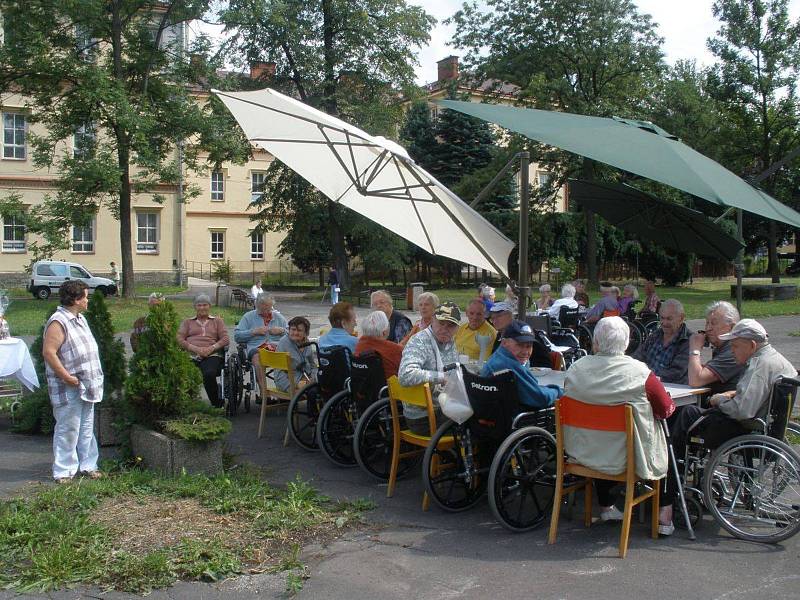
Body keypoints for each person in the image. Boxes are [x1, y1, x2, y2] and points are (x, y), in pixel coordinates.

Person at [659, 319, 797, 534]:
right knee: (688, 415)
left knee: (682, 418)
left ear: (751, 344)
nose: (732, 351)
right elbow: (753, 395)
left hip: (742, 428)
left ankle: (667, 497)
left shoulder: (759, 366)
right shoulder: (774, 359)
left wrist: (719, 400)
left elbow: (742, 410)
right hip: (761, 428)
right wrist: (732, 394)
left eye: (735, 346)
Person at [563, 316, 674, 525]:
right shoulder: (640, 373)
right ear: (626, 342)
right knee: (664, 437)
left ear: (595, 342)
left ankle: (606, 506)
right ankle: (664, 513)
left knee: (601, 434)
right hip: (625, 458)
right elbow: (665, 409)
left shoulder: (575, 369)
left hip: (582, 452)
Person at [42, 280, 105, 483]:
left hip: (86, 384)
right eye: (85, 297)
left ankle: (88, 465)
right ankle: (63, 470)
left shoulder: (79, 318)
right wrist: (66, 377)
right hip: (69, 385)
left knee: (86, 426)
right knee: (68, 427)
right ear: (76, 299)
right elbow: (49, 352)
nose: (88, 300)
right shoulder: (58, 321)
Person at [398, 303, 461, 435]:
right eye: (441, 323)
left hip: (440, 408)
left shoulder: (450, 342)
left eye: (451, 325)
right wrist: (441, 377)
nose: (445, 329)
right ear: (432, 320)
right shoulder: (419, 341)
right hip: (422, 418)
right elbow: (405, 375)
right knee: (475, 419)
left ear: (457, 328)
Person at [481, 320, 563, 409]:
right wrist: (558, 391)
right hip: (514, 419)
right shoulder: (507, 367)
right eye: (519, 345)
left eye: (529, 346)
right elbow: (541, 398)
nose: (525, 352)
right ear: (504, 343)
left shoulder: (501, 357)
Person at [177, 294, 230, 408]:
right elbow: (179, 339)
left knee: (209, 373)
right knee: (184, 373)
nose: (202, 308)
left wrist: (211, 348)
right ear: (195, 307)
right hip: (191, 355)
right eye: (199, 305)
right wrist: (195, 349)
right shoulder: (187, 322)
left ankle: (216, 404)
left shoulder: (217, 321)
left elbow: (225, 339)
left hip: (212, 355)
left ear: (209, 306)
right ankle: (189, 404)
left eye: (205, 305)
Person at [233, 293, 288, 403]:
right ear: (257, 306)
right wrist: (253, 332)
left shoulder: (278, 317)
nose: (267, 312)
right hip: (257, 348)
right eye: (264, 309)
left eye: (269, 308)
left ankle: (285, 392)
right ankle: (264, 394)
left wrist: (282, 331)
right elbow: (237, 336)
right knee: (258, 358)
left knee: (289, 357)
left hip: (277, 348)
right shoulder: (248, 317)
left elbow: (292, 334)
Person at [687, 301, 745, 393]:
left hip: (726, 405)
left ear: (732, 327)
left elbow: (695, 381)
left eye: (714, 323)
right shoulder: (721, 348)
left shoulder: (732, 351)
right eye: (707, 323)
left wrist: (695, 349)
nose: (708, 328)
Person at [632, 299, 692, 384]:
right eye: (662, 318)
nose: (664, 323)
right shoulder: (655, 335)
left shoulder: (689, 340)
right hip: (647, 384)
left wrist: (645, 377)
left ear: (681, 318)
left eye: (669, 319)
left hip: (673, 390)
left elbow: (675, 373)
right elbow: (637, 358)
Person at [355, 310, 403, 380]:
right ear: (384, 332)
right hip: (388, 389)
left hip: (361, 388)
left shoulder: (359, 345)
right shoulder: (395, 349)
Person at [274, 316, 317, 392]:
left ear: (306, 333)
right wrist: (296, 384)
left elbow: (313, 365)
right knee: (313, 392)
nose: (296, 333)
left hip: (307, 380)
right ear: (289, 330)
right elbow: (278, 373)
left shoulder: (307, 343)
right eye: (293, 330)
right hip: (289, 383)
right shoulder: (284, 343)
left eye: (299, 330)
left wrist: (313, 378)